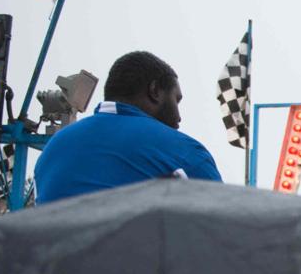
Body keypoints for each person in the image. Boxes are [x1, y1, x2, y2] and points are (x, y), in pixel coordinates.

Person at [34, 50, 222, 203]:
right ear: (155, 90)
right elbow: (228, 229)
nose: (178, 118)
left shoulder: (52, 150)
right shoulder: (184, 152)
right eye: (176, 100)